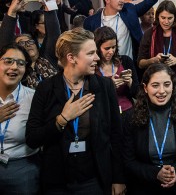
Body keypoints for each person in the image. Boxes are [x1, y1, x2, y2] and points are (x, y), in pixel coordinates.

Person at [25, 27, 126, 194]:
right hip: (58, 180)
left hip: (95, 178)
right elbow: (32, 138)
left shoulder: (104, 86)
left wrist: (118, 178)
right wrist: (62, 119)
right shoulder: (46, 88)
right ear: (71, 57)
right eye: (90, 53)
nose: (96, 58)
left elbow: (116, 135)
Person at [123, 63, 176, 194]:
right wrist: (155, 173)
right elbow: (129, 161)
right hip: (145, 186)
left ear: (173, 86)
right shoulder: (131, 117)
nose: (162, 91)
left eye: (167, 84)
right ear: (145, 88)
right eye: (155, 85)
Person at [84, 0, 160, 60]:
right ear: (107, 0)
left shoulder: (129, 11)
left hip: (128, 64)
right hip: (104, 67)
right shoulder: (91, 21)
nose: (122, 0)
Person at [0, 44, 40, 194]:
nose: (14, 67)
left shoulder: (33, 98)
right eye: (8, 61)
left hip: (23, 169)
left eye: (21, 63)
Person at [138, 0, 176, 97]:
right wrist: (153, 60)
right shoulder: (149, 34)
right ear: (157, 16)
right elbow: (140, 63)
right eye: (163, 18)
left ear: (175, 17)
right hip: (155, 85)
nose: (166, 22)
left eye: (170, 18)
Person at [94, 26, 139, 118]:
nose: (111, 51)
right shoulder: (92, 67)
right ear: (97, 48)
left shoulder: (126, 61)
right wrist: (109, 87)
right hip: (104, 114)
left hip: (127, 112)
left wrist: (130, 82)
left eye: (113, 47)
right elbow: (92, 96)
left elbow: (138, 94)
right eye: (107, 48)